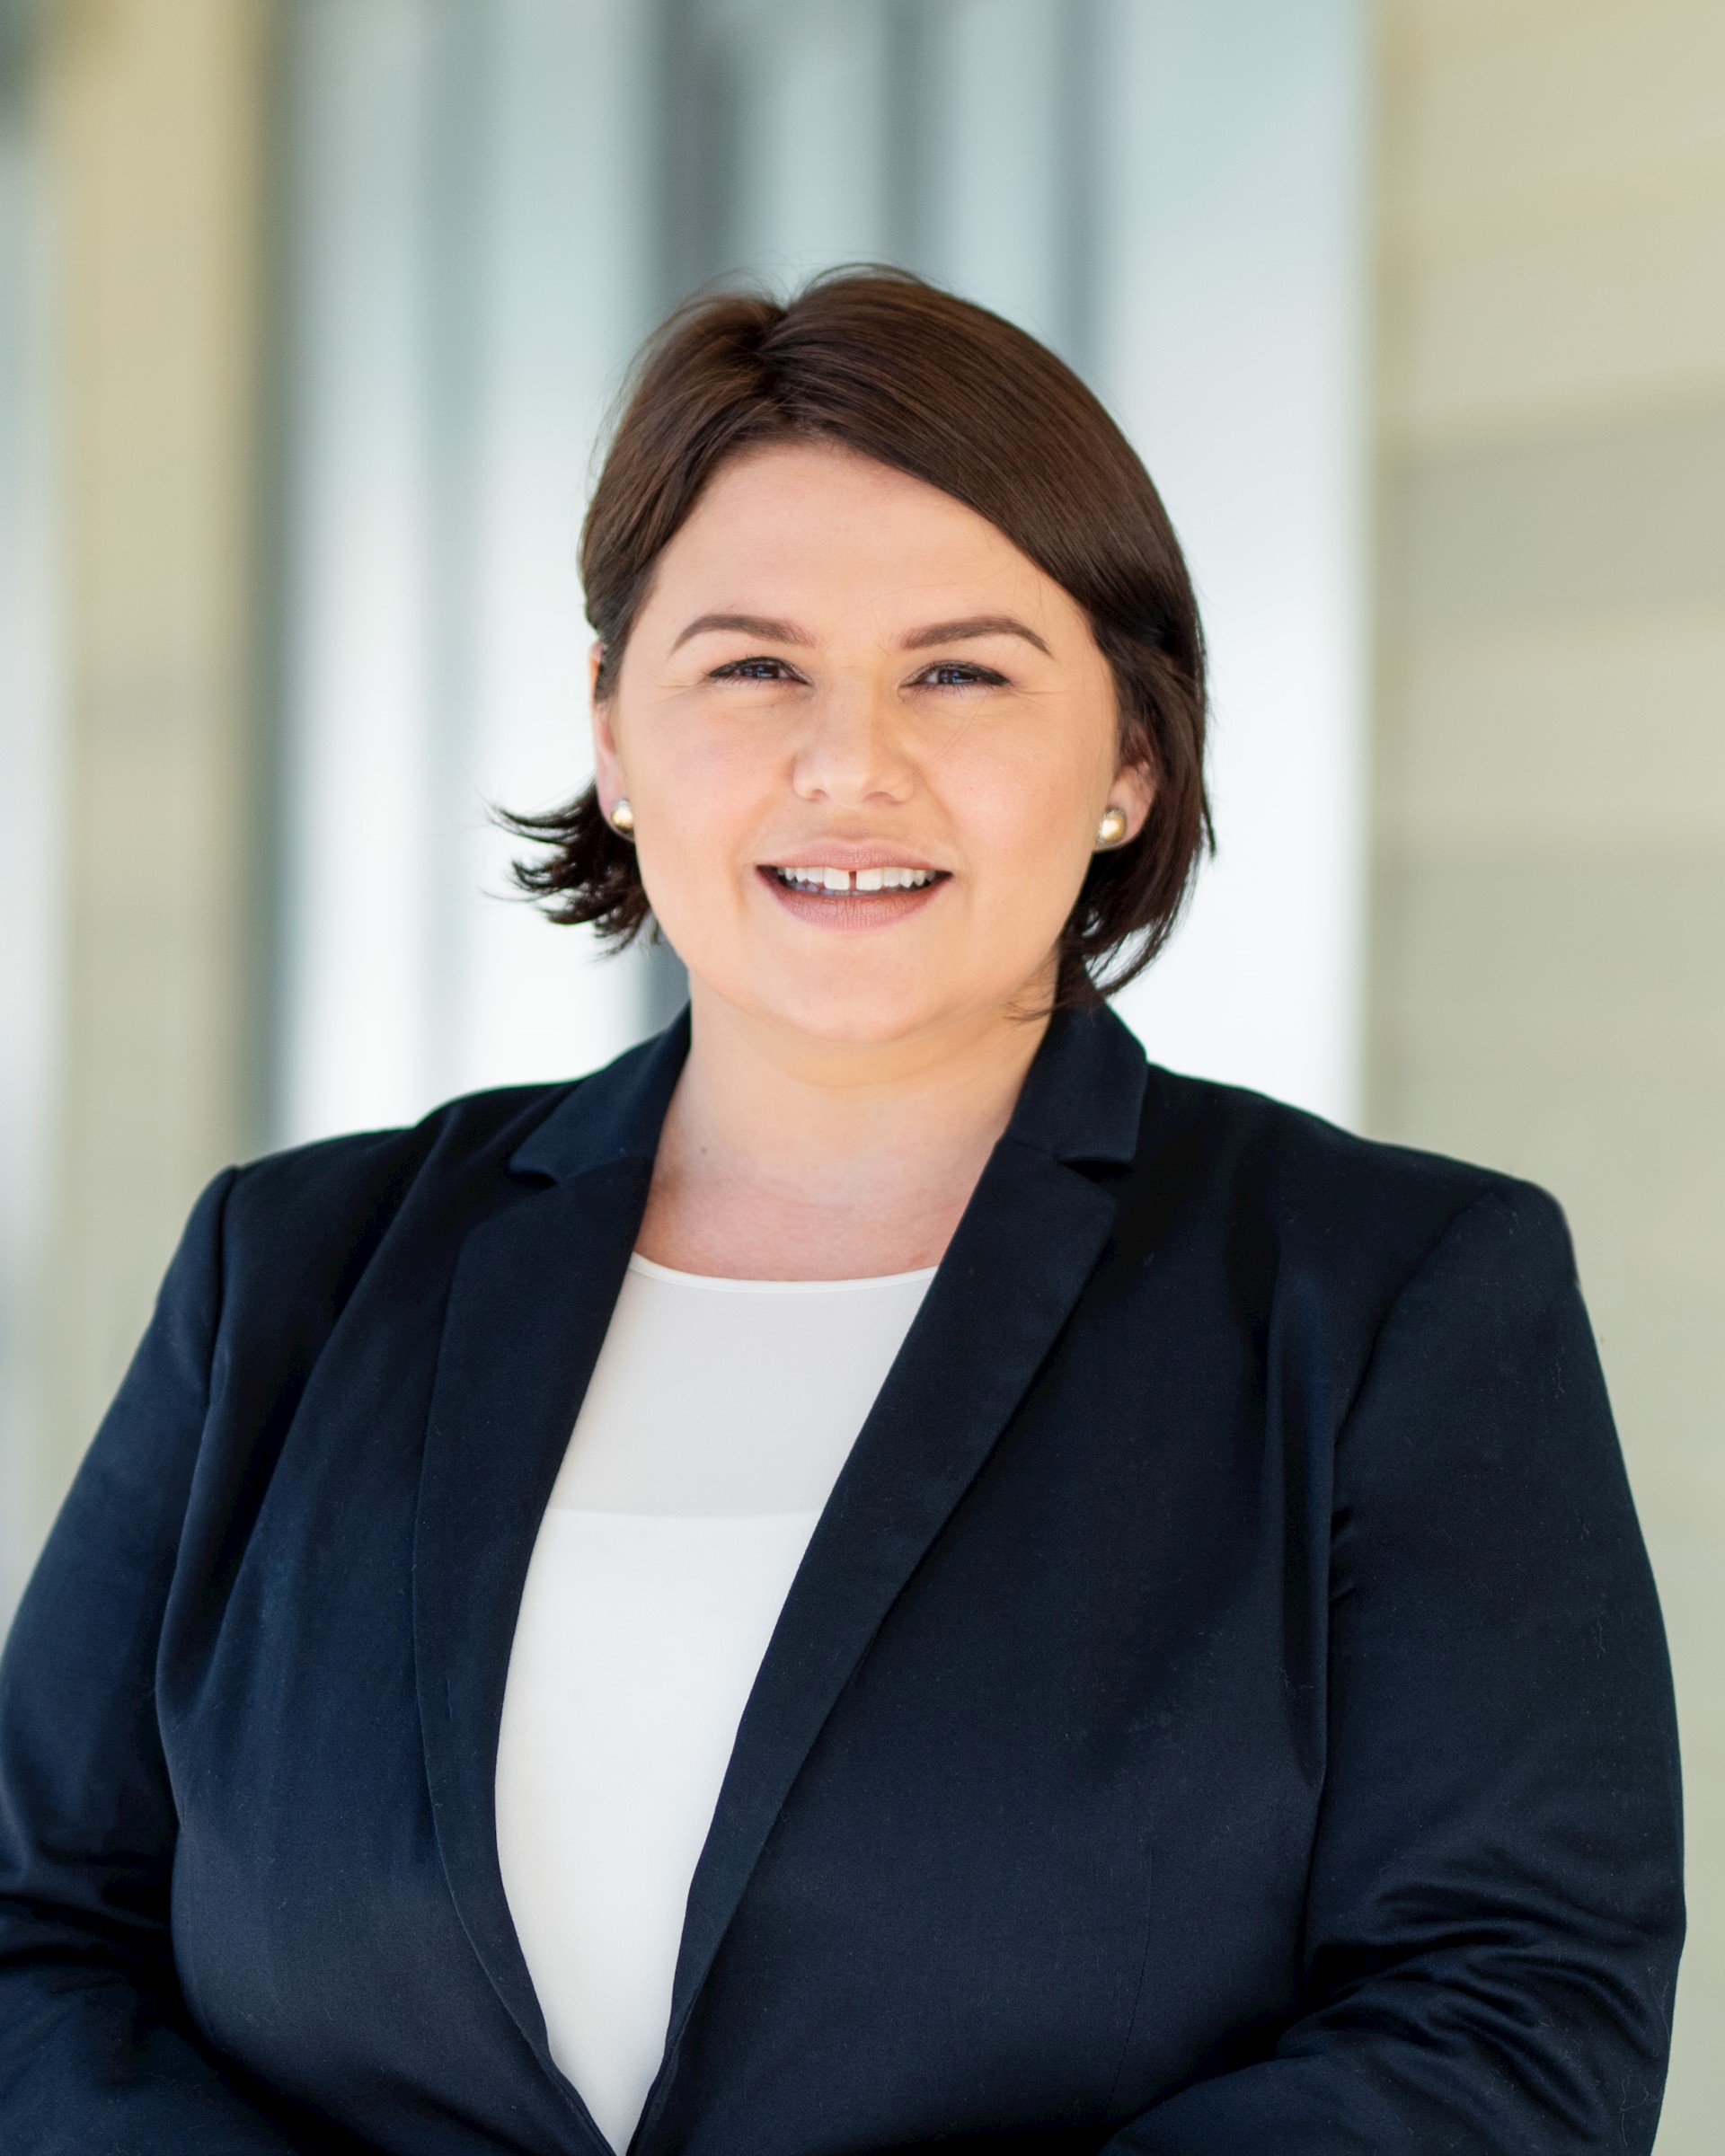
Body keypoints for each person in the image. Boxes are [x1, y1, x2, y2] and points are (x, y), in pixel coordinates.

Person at [0, 270, 1682, 2156]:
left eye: (960, 670)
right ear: (617, 734)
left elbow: (1515, 2005)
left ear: (1129, 756)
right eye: (753, 667)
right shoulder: (289, 1279)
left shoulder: (1392, 1304)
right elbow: (36, 1939)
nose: (850, 763)